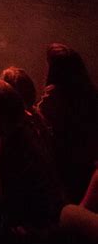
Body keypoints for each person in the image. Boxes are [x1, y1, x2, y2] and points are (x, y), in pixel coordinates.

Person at [0, 80, 64, 237]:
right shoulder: (34, 125)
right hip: (52, 205)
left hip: (31, 220)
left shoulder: (9, 149)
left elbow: (5, 197)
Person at [38, 43, 98, 203]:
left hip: (64, 160)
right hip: (87, 159)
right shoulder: (90, 92)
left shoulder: (54, 95)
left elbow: (39, 119)